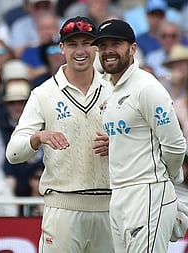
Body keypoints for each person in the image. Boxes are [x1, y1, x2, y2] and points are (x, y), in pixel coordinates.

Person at [6, 16, 114, 253]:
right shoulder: (43, 94)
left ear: (96, 47)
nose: (80, 51)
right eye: (73, 44)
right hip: (63, 209)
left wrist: (119, 144)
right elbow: (13, 152)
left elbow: (143, 140)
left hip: (110, 207)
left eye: (86, 43)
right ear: (61, 48)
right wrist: (38, 137)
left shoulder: (114, 89)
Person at [92, 19, 186, 252]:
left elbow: (175, 146)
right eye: (103, 46)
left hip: (148, 192)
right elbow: (135, 132)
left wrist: (166, 180)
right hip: (119, 195)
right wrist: (116, 143)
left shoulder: (147, 88)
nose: (108, 51)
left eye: (116, 44)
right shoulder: (109, 88)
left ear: (133, 49)